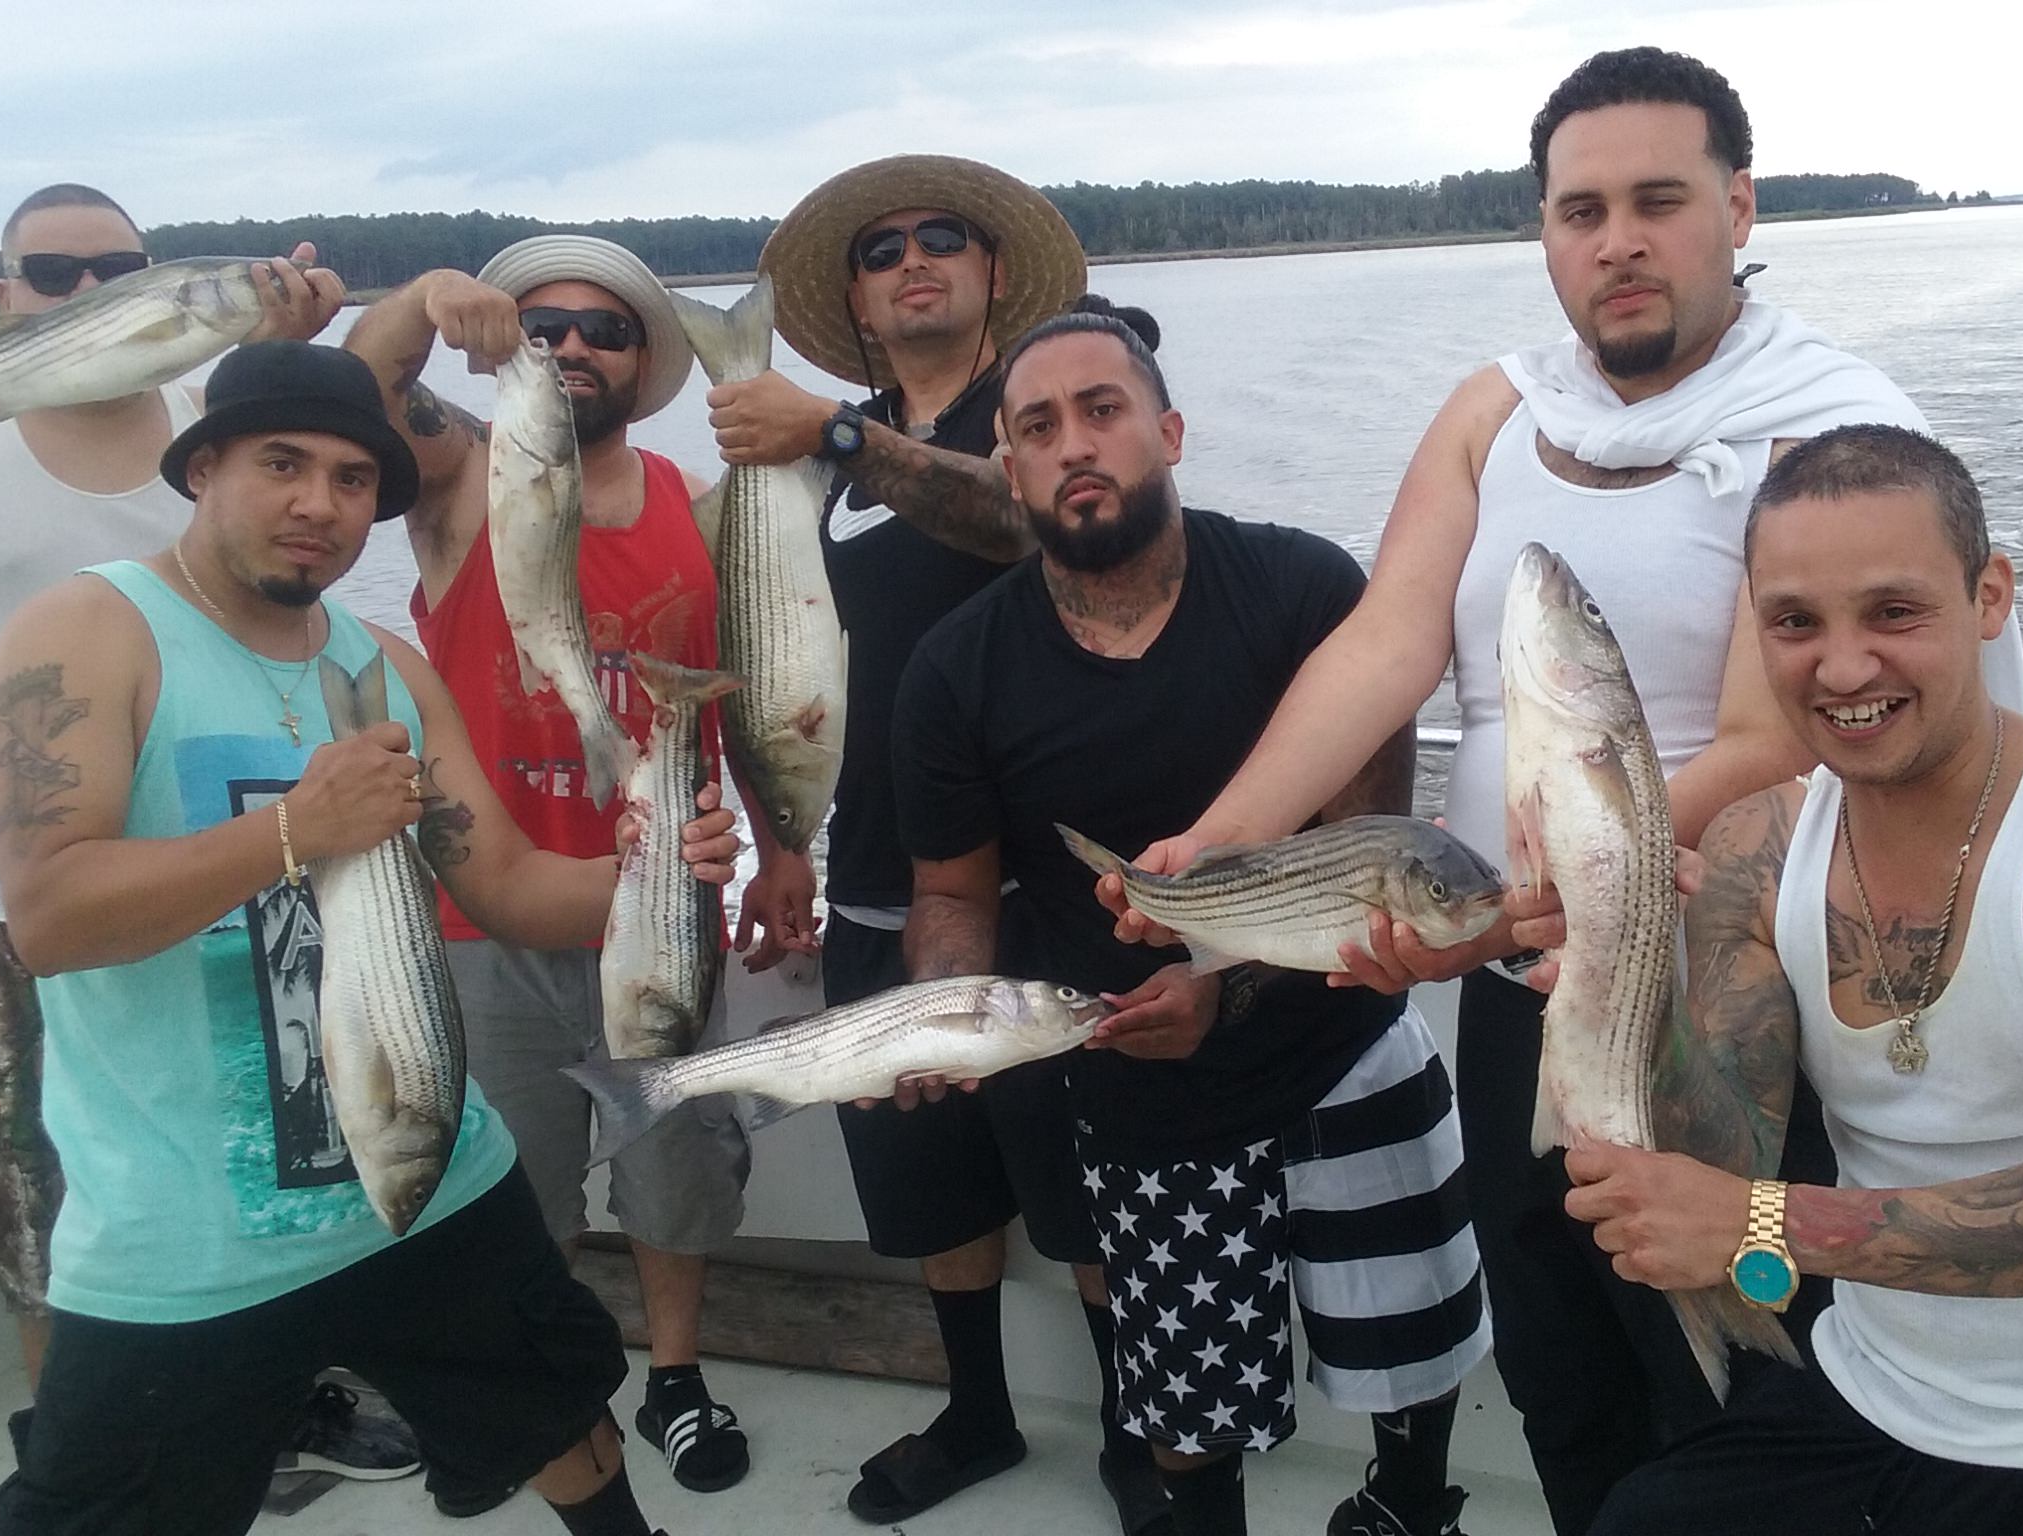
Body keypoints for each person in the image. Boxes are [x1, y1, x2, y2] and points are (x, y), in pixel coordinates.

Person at [1113, 47, 2023, 1532]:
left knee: (1735, 1368)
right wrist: (1220, 845)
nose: (1618, 240)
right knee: (1554, 1338)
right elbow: (1389, 640)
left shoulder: (1827, 422)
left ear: (1738, 206)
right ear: (1542, 228)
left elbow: (1772, 735)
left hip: (1727, 968)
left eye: (1660, 200)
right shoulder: (1495, 409)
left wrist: (1517, 908)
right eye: (1579, 209)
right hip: (1513, 972)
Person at [0, 340, 741, 1536]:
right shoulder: (87, 634)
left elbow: (517, 886)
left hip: (431, 1170)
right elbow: (53, 918)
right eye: (282, 464)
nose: (318, 504)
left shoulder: (385, 670)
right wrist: (294, 829)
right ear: (202, 466)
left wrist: (655, 877)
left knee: (559, 1411)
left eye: (353, 479)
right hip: (189, 1237)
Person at [1565, 424, 2023, 1535]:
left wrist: (1763, 1226)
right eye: (1794, 622)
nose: (1843, 669)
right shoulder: (1762, 846)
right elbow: (1720, 1155)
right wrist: (1618, 984)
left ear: (1988, 598)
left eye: (1893, 612)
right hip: (1873, 1396)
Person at [0, 183, 416, 1482]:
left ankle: (288, 1403)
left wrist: (327, 343)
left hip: (248, 878)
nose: (90, 294)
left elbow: (346, 496)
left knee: (279, 1172)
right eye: (53, 273)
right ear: (4, 298)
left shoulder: (221, 440)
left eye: (122, 267)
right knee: (41, 1206)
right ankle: (76, 1447)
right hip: (30, 906)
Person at [889, 312, 1488, 1536]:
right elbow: (952, 898)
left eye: (1103, 409)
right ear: (1008, 469)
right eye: (1038, 427)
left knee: (1413, 1354)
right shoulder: (955, 671)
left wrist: (1230, 985)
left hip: (1345, 1044)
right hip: (1140, 1086)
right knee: (1185, 1417)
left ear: (1168, 431)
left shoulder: (1307, 589)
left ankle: (1408, 1501)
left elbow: (1367, 856)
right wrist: (938, 1016)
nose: (1074, 444)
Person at [702, 157, 1170, 1530]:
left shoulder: (1022, 422)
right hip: (875, 875)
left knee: (1077, 1187)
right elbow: (772, 645)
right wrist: (783, 841)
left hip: (1038, 880)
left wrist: (839, 442)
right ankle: (978, 1411)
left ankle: (1138, 1429)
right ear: (850, 298)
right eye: (880, 249)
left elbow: (1026, 524)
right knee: (925, 1173)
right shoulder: (811, 451)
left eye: (940, 239)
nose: (911, 261)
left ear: (992, 272)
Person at [345, 234, 812, 1503]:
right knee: (511, 1185)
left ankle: (673, 1379)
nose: (569, 346)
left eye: (603, 330)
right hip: (478, 914)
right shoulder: (459, 476)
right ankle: (547, 1402)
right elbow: (355, 399)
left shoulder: (695, 508)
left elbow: (755, 692)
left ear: (642, 361)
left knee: (677, 1167)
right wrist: (419, 303)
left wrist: (782, 853)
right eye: (544, 323)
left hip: (662, 912)